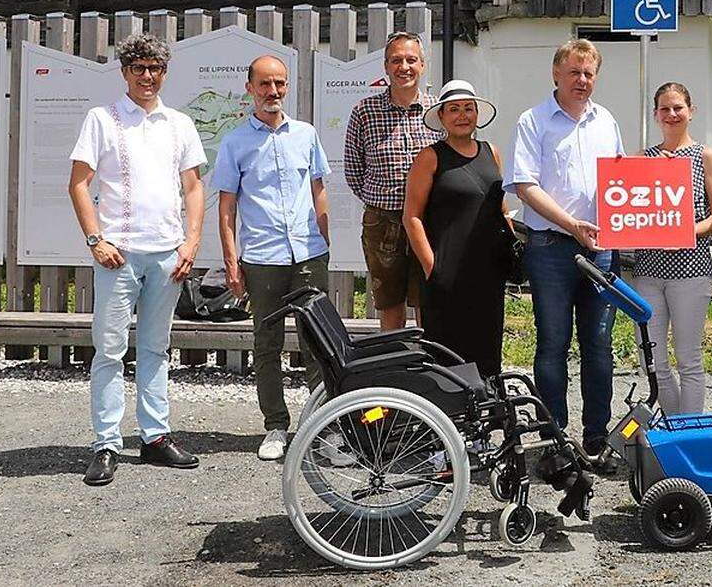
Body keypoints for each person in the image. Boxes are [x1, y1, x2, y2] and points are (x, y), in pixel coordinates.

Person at [68, 33, 206, 486]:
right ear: (125, 72)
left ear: (165, 72)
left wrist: (191, 242)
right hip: (118, 255)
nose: (147, 76)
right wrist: (95, 239)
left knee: (156, 348)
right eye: (138, 68)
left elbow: (193, 187)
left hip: (168, 253)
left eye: (155, 68)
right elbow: (78, 184)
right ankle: (106, 443)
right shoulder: (102, 119)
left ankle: (155, 437)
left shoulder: (179, 123)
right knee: (109, 350)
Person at [505, 38, 624, 462]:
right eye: (574, 72)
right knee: (552, 344)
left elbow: (620, 182)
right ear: (556, 74)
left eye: (589, 73)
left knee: (599, 345)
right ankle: (554, 438)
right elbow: (524, 185)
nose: (582, 80)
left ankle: (596, 438)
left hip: (600, 251)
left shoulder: (606, 121)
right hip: (550, 248)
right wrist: (571, 224)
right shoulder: (533, 121)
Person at [215, 55, 332, 461]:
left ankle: (323, 426)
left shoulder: (306, 134)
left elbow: (317, 187)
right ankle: (276, 426)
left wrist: (324, 237)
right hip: (262, 258)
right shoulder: (235, 142)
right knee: (267, 344)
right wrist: (232, 260)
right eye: (264, 84)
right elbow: (227, 205)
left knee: (318, 343)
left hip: (308, 254)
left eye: (280, 84)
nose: (273, 92)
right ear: (250, 88)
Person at [631, 82, 712, 416]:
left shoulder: (706, 156)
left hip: (690, 270)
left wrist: (687, 232)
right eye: (665, 109)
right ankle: (675, 424)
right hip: (648, 271)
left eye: (678, 108)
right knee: (652, 360)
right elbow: (631, 211)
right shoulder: (643, 158)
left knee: (688, 358)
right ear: (656, 114)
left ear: (691, 110)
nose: (672, 114)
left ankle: (690, 431)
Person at [403, 79, 508, 378]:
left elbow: (500, 207)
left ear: (477, 113)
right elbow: (411, 216)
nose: (462, 115)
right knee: (446, 350)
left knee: (487, 346)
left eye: (468, 108)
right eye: (454, 109)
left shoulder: (493, 152)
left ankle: (487, 412)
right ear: (442, 117)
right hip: (446, 272)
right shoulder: (430, 157)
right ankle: (446, 417)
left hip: (487, 270)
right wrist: (431, 268)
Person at [343, 31, 440, 330]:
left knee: (429, 299)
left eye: (411, 60)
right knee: (390, 305)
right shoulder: (364, 112)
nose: (404, 67)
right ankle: (394, 371)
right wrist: (383, 199)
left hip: (430, 221)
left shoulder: (438, 111)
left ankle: (429, 370)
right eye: (396, 60)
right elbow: (353, 170)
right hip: (383, 222)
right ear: (385, 67)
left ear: (423, 65)